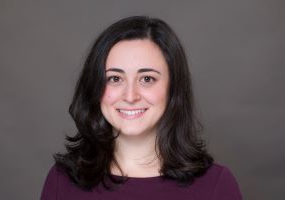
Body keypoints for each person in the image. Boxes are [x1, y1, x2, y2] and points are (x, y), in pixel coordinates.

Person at [40, 16, 242, 200]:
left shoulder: (216, 186)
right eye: (115, 78)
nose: (130, 96)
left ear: (173, 88)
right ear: (95, 86)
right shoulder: (62, 181)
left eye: (147, 79)